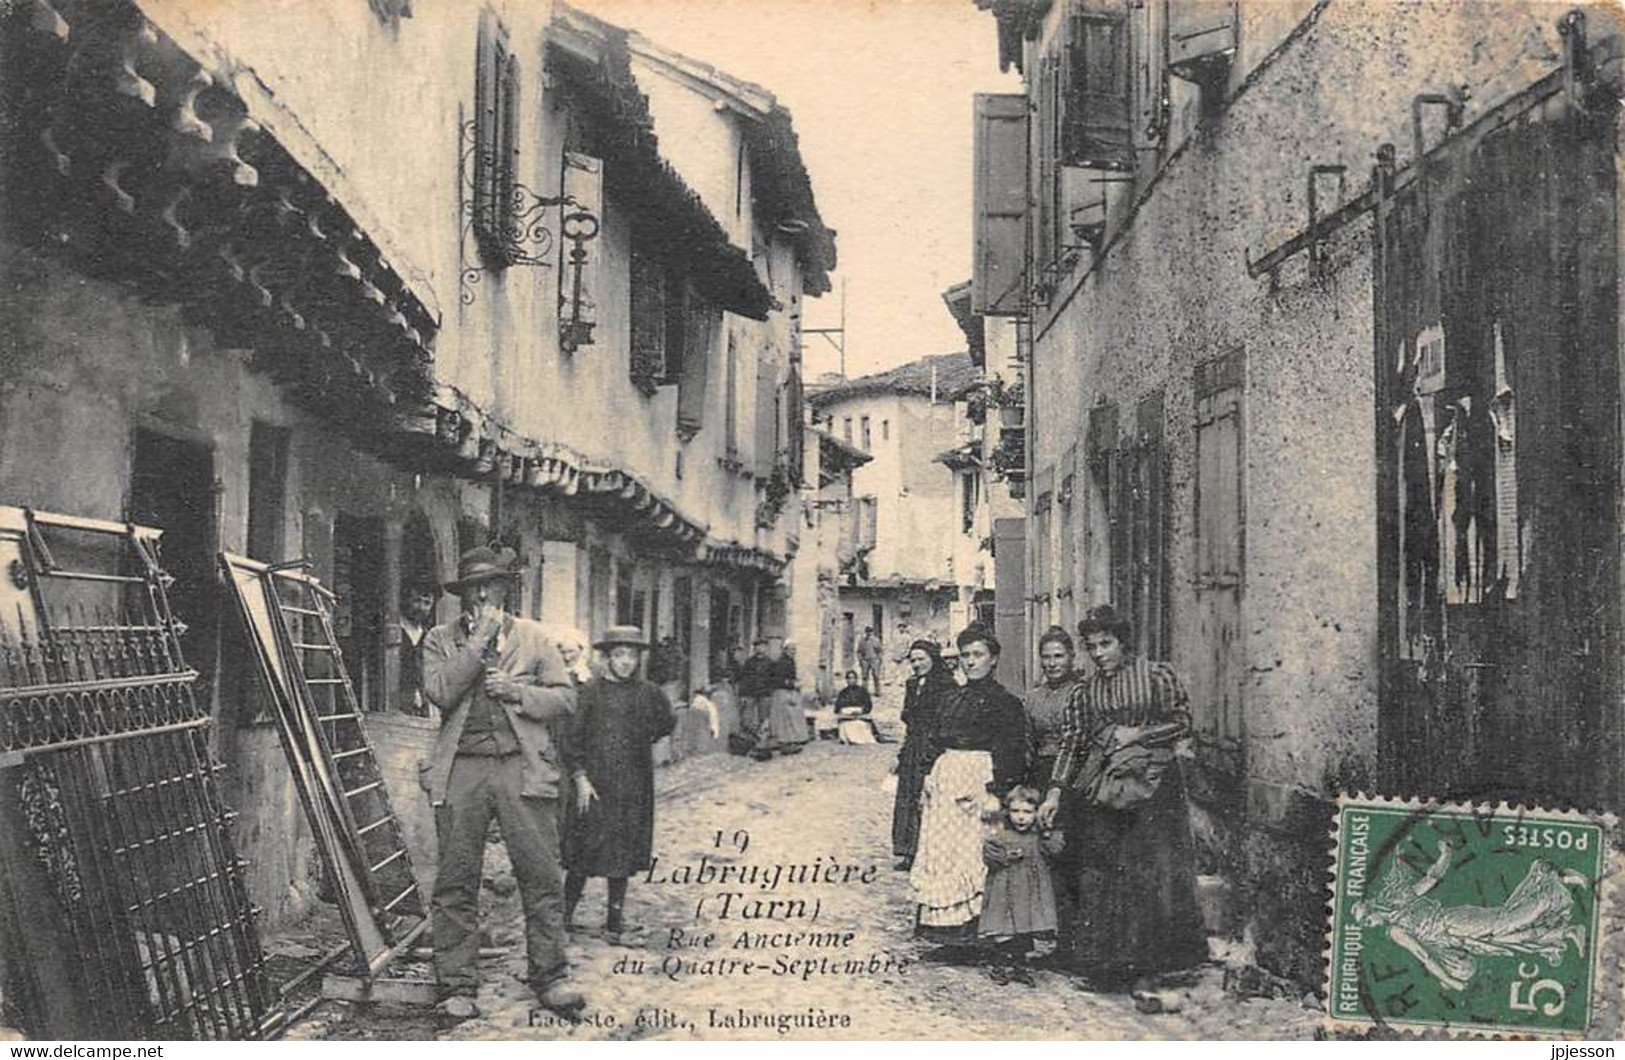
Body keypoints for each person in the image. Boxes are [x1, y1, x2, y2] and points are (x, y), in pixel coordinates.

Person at [419, 546, 581, 1020]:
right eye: (473, 589)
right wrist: (477, 644)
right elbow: (442, 690)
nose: (482, 596)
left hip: (522, 767)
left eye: (490, 587)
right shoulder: (439, 640)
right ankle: (456, 984)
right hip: (462, 768)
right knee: (455, 880)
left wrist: (518, 693)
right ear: (462, 595)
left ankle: (550, 977)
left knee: (541, 875)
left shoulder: (534, 638)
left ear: (506, 590)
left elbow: (565, 699)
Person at [1039, 604, 1206, 990]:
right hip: (1108, 787)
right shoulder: (1086, 689)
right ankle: (1109, 965)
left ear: (1123, 642)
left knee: (1151, 870)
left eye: (1106, 644)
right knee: (1104, 869)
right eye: (1092, 646)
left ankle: (1155, 966)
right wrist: (1054, 792)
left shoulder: (1155, 675)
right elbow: (1072, 742)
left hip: (1155, 785)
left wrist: (1140, 735)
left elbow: (1182, 722)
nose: (1099, 653)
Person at [909, 625, 1027, 946]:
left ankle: (985, 934)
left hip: (981, 785)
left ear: (994, 659)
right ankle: (949, 932)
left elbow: (1012, 752)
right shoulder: (951, 698)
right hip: (946, 784)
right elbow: (934, 741)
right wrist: (926, 779)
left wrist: (996, 792)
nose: (971, 662)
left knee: (980, 853)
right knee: (943, 854)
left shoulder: (1005, 703)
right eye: (965, 655)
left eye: (978, 655)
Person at [562, 626, 677, 944]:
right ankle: (563, 917)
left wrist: (643, 740)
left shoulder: (648, 693)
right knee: (583, 851)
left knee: (623, 853)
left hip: (633, 785)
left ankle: (614, 922)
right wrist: (580, 778)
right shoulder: (591, 692)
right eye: (619, 655)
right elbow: (571, 740)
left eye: (632, 655)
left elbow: (667, 721)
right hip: (595, 785)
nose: (626, 662)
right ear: (607, 658)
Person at [979, 786, 1062, 986]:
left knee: (1024, 928)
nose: (1021, 818)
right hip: (1005, 890)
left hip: (1029, 891)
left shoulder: (1038, 835)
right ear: (1008, 812)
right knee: (1004, 927)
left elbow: (1056, 850)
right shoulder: (1002, 833)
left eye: (1027, 812)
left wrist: (1047, 832)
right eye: (1016, 811)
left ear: (1036, 813)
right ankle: (999, 964)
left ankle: (1019, 965)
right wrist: (1006, 856)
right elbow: (989, 853)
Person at [891, 640, 953, 870]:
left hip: (934, 746)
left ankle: (932, 850)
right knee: (908, 796)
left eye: (921, 659)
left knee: (929, 797)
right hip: (914, 747)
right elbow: (909, 722)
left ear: (933, 658)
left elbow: (946, 721)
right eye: (913, 660)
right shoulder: (911, 684)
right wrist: (902, 753)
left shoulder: (946, 684)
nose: (916, 664)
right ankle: (909, 850)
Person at [755, 638, 809, 759]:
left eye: (794, 649)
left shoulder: (791, 661)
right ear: (785, 650)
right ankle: (785, 743)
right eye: (790, 649)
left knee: (792, 716)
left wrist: (795, 683)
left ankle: (791, 741)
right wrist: (791, 684)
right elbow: (777, 680)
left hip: (790, 692)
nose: (793, 651)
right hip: (782, 692)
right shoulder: (781, 663)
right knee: (785, 718)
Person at [398, 583, 437, 717]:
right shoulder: (395, 633)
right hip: (396, 706)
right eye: (416, 601)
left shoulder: (428, 637)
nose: (421, 608)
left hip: (421, 707)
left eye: (427, 603)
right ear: (406, 600)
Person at [736, 637, 774, 757]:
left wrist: (771, 692)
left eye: (762, 646)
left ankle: (763, 745)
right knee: (748, 719)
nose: (760, 649)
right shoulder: (749, 662)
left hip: (765, 694)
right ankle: (749, 743)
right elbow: (744, 679)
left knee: (764, 720)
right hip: (750, 694)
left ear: (766, 648)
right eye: (757, 646)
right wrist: (743, 695)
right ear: (754, 648)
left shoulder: (771, 663)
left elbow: (774, 679)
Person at [833, 670, 877, 744]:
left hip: (860, 716)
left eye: (853, 678)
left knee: (860, 725)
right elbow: (837, 707)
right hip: (846, 717)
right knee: (847, 726)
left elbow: (868, 705)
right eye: (849, 678)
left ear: (856, 679)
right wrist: (845, 711)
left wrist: (861, 711)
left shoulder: (862, 691)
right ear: (846, 680)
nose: (851, 680)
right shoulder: (843, 692)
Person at [857, 627, 884, 696]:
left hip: (874, 660)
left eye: (870, 632)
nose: (868, 633)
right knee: (865, 676)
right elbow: (859, 651)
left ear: (872, 632)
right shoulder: (862, 641)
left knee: (876, 676)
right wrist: (860, 660)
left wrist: (879, 660)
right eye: (867, 632)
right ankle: (864, 692)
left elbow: (880, 651)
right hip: (865, 660)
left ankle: (877, 691)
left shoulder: (876, 640)